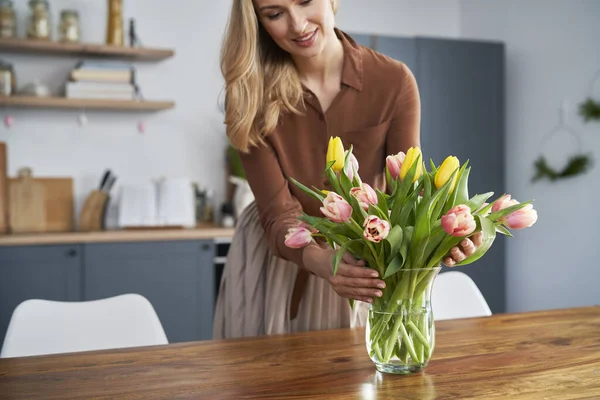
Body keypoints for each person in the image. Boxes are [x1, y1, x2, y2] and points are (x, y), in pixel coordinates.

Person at [213, 0, 481, 339]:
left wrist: (450, 234)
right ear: (258, 22)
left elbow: (408, 192)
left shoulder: (393, 82)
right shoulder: (249, 94)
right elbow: (278, 212)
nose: (297, 25)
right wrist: (323, 260)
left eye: (305, 1)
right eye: (275, 13)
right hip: (279, 256)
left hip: (364, 257)